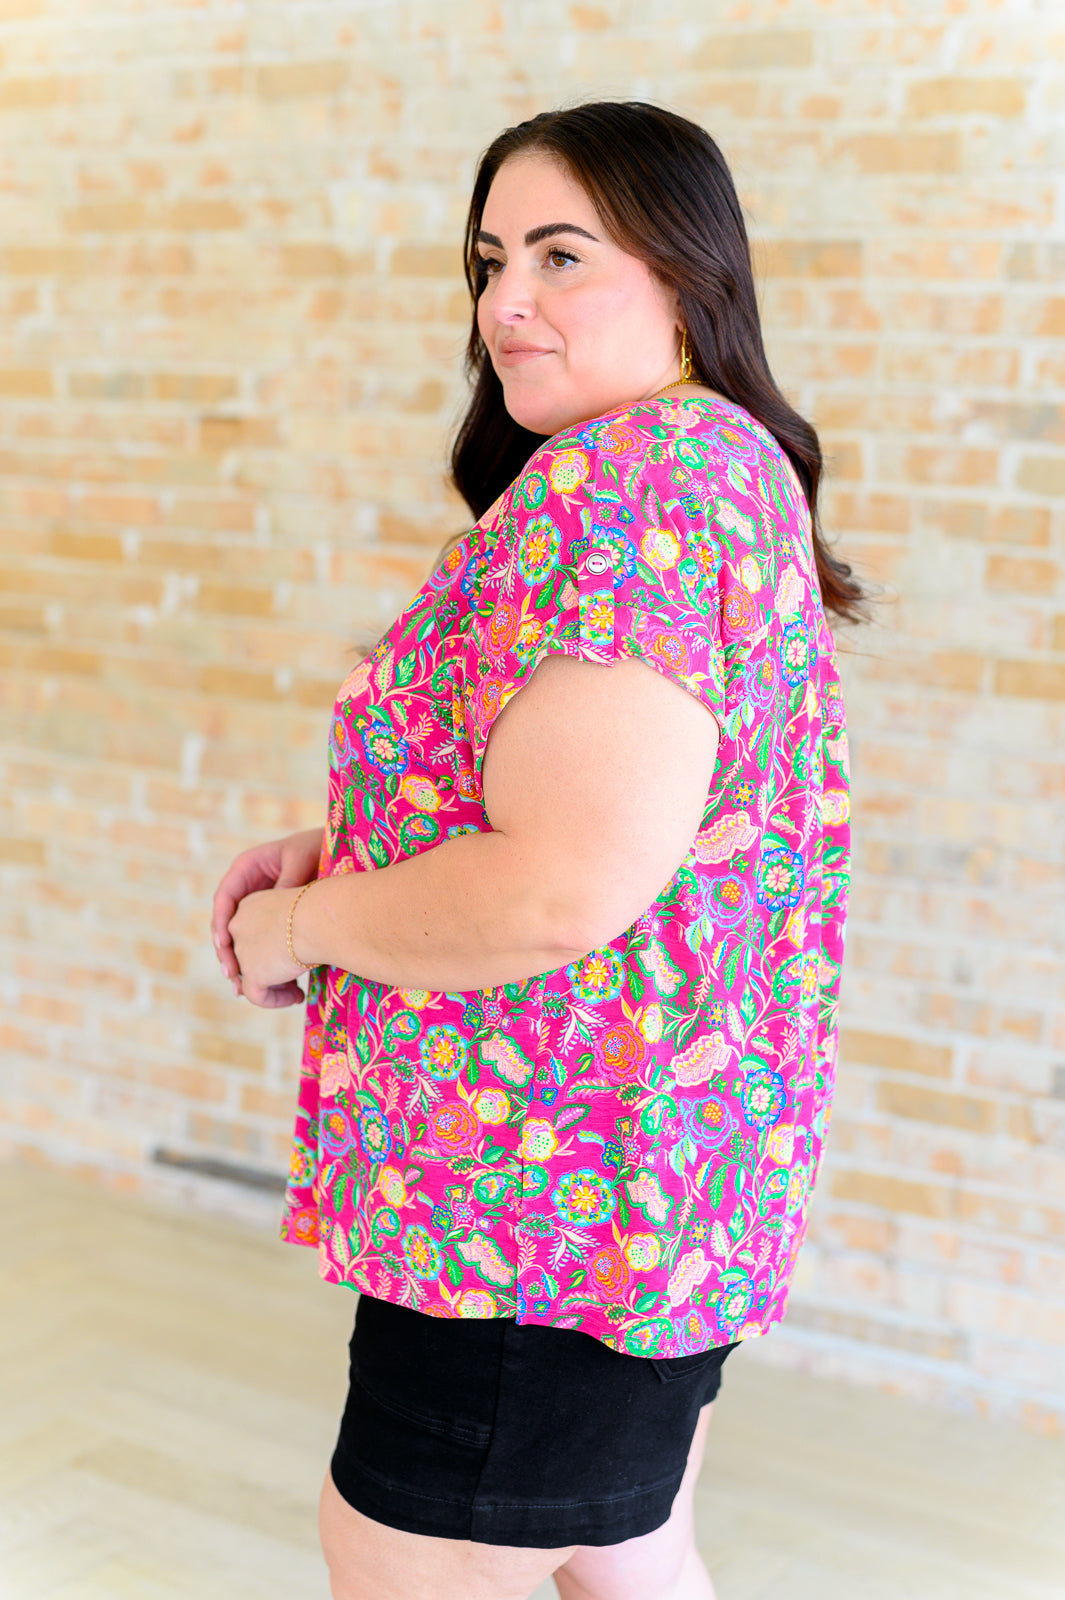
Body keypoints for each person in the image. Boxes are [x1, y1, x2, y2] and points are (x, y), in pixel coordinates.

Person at [211, 101, 862, 1600]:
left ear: (686, 273)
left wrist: (301, 931)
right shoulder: (715, 462)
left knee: (405, 1561)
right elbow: (664, 824)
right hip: (650, 1194)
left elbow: (560, 886)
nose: (505, 300)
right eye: (491, 258)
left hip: (536, 1211)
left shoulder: (631, 488)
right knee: (629, 1554)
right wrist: (346, 846)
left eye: (561, 255)